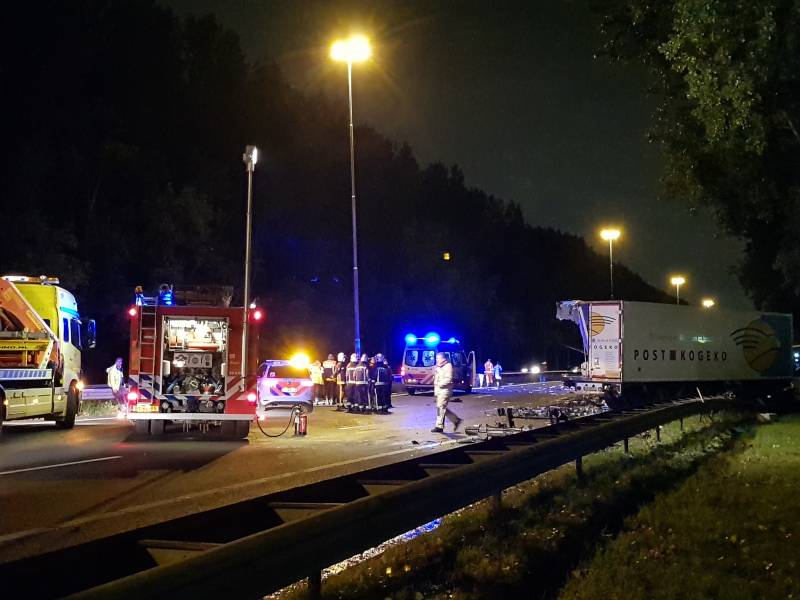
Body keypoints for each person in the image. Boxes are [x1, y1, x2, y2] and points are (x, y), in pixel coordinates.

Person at [432, 352, 462, 433]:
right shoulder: (438, 367)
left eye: (438, 358)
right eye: (436, 358)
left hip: (445, 390)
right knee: (441, 407)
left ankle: (439, 426)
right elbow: (436, 379)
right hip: (439, 391)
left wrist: (439, 384)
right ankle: (456, 420)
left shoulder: (448, 366)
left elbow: (449, 379)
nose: (437, 360)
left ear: (443, 358)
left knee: (440, 407)